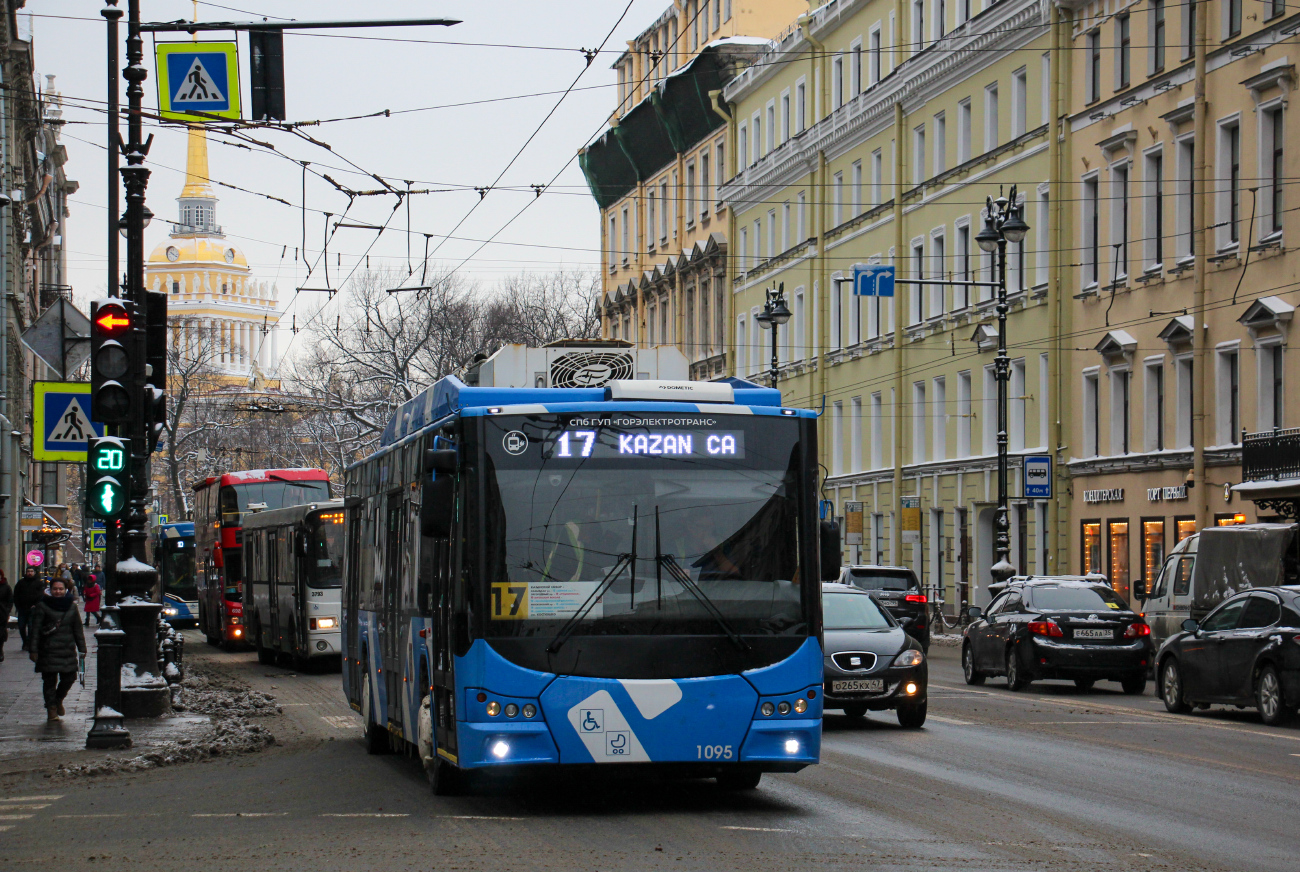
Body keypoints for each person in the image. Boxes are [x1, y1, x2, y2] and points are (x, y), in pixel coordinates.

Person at [27, 578, 86, 721]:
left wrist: (82, 648)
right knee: (49, 681)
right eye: (55, 589)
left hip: (67, 649)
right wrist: (33, 650)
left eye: (60, 589)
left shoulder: (72, 607)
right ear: (50, 590)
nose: (58, 592)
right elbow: (35, 630)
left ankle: (58, 699)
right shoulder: (42, 606)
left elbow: (77, 629)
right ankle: (51, 709)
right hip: (48, 650)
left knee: (70, 677)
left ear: (65, 590)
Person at [12, 567, 44, 652]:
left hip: (33, 608)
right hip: (22, 608)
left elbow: (41, 595)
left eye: (31, 571)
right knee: (21, 626)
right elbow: (16, 594)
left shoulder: (38, 583)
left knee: (31, 627)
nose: (29, 573)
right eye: (28, 571)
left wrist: (36, 605)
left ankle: (29, 643)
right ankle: (25, 641)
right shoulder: (21, 583)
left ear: (34, 572)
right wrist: (18, 605)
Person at [0, 570, 12, 661]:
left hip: (2, 613)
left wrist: (7, 611)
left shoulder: (6, 587)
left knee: (1, 633)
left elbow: (10, 600)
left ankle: (0, 650)